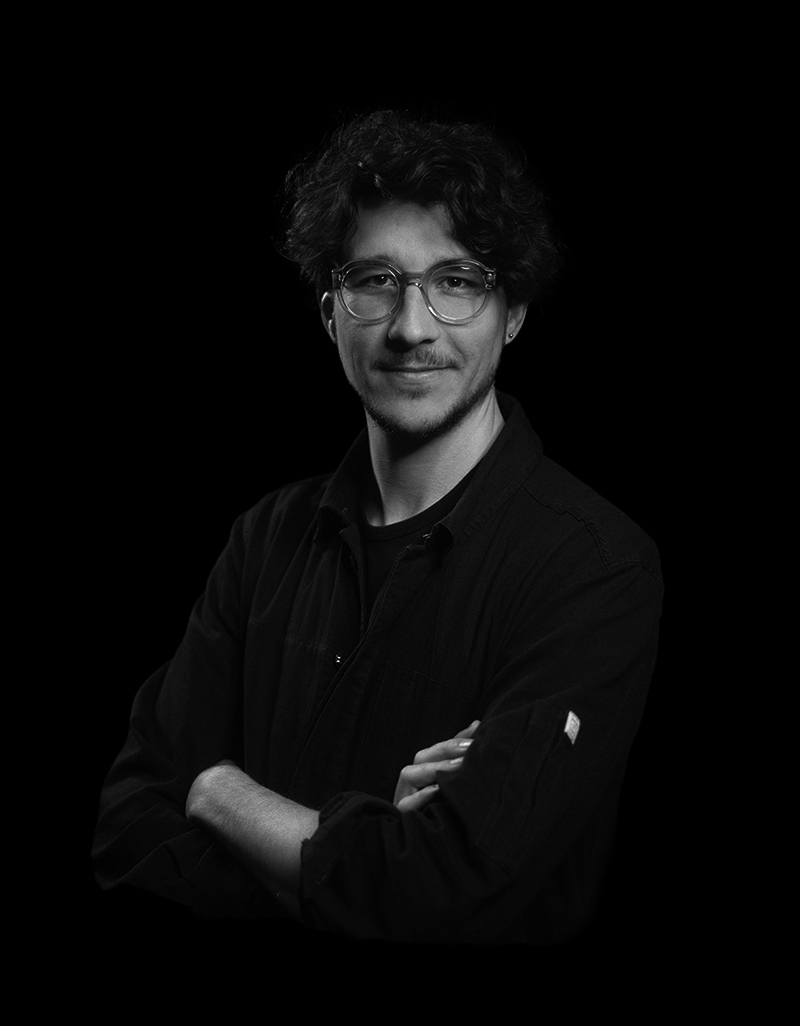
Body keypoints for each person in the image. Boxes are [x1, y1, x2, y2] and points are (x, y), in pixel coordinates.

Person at [92, 109, 663, 946]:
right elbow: (126, 828)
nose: (411, 327)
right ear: (332, 313)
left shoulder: (595, 568)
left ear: (512, 312)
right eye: (375, 280)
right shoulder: (263, 539)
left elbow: (445, 892)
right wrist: (371, 870)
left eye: (457, 281)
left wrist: (215, 791)